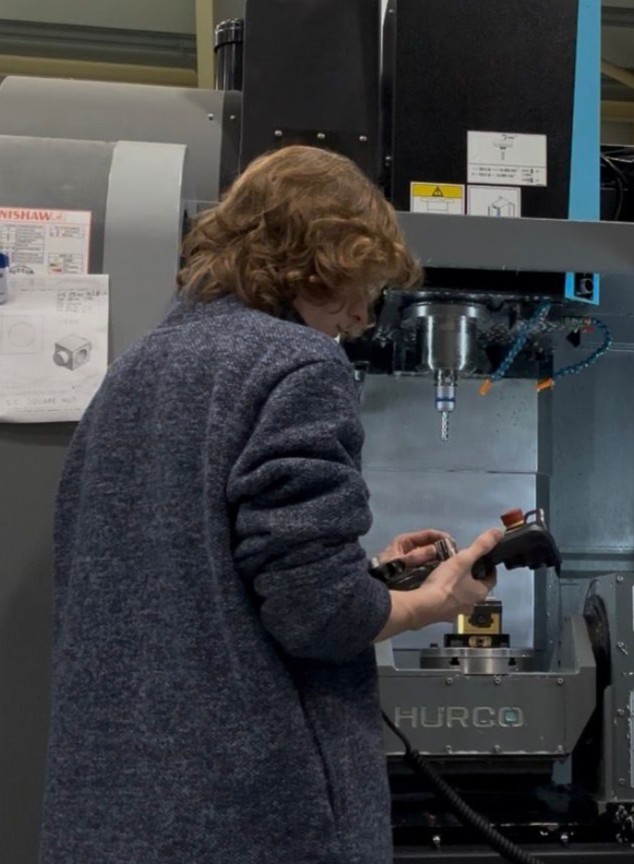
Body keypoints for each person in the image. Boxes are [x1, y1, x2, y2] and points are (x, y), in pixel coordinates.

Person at [40, 145, 500, 864]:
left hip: (113, 811)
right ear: (307, 263)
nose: (361, 314)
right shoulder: (296, 362)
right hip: (250, 816)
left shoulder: (131, 371)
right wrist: (433, 602)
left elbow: (203, 587)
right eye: (355, 284)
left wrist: (370, 576)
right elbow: (319, 615)